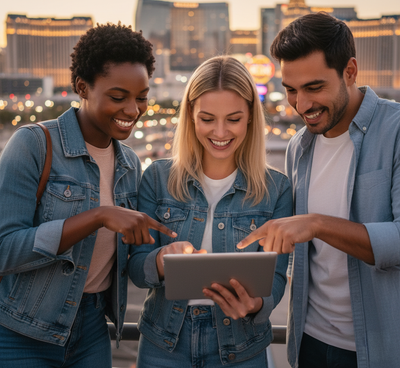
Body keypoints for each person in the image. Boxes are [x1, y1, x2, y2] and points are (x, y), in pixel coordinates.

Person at [0, 23, 176, 368]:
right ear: (82, 87)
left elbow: (132, 266)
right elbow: (5, 249)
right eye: (117, 96)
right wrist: (97, 217)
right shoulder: (33, 144)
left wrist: (167, 255)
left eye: (141, 97)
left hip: (94, 329)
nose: (133, 110)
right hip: (22, 331)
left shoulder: (130, 164)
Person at [237, 12, 400, 368]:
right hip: (309, 342)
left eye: (314, 87)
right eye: (291, 90)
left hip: (381, 349)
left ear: (350, 71)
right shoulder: (299, 147)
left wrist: (317, 224)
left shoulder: (396, 130)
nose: (302, 104)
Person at [129, 55, 293, 367]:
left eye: (233, 119)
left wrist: (254, 303)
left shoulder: (277, 189)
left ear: (249, 118)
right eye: (207, 119)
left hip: (241, 346)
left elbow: (276, 278)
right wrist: (161, 261)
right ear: (190, 114)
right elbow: (137, 269)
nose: (220, 132)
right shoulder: (156, 178)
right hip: (164, 343)